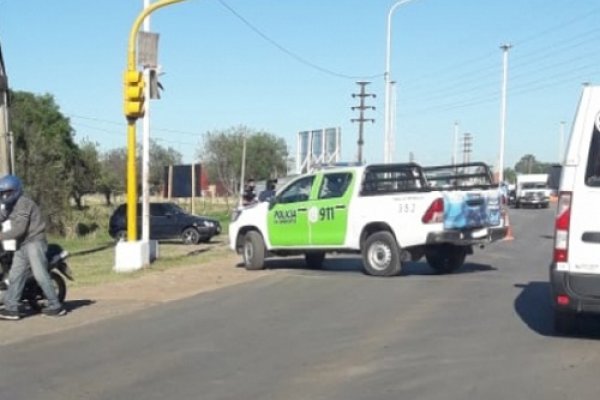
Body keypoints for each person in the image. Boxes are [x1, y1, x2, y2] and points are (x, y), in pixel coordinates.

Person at [0, 175, 66, 320]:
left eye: (7, 192)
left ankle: (56, 305)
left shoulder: (24, 204)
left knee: (40, 274)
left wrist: (1, 236)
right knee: (15, 275)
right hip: (21, 245)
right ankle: (11, 308)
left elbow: (19, 229)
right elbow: (1, 216)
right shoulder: (9, 205)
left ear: (16, 190)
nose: (5, 195)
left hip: (34, 242)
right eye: (2, 193)